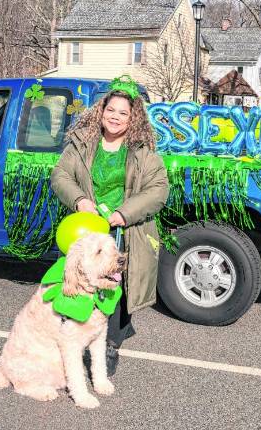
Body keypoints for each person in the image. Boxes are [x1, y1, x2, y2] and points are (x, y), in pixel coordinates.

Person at [51, 76, 169, 375]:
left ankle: (110, 345)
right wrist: (79, 200)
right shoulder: (81, 144)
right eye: (111, 110)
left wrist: (124, 213)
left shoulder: (143, 151)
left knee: (117, 289)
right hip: (88, 231)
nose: (115, 117)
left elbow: (157, 190)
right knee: (81, 285)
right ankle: (76, 339)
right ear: (101, 111)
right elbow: (61, 176)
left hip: (126, 231)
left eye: (123, 113)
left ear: (133, 119)